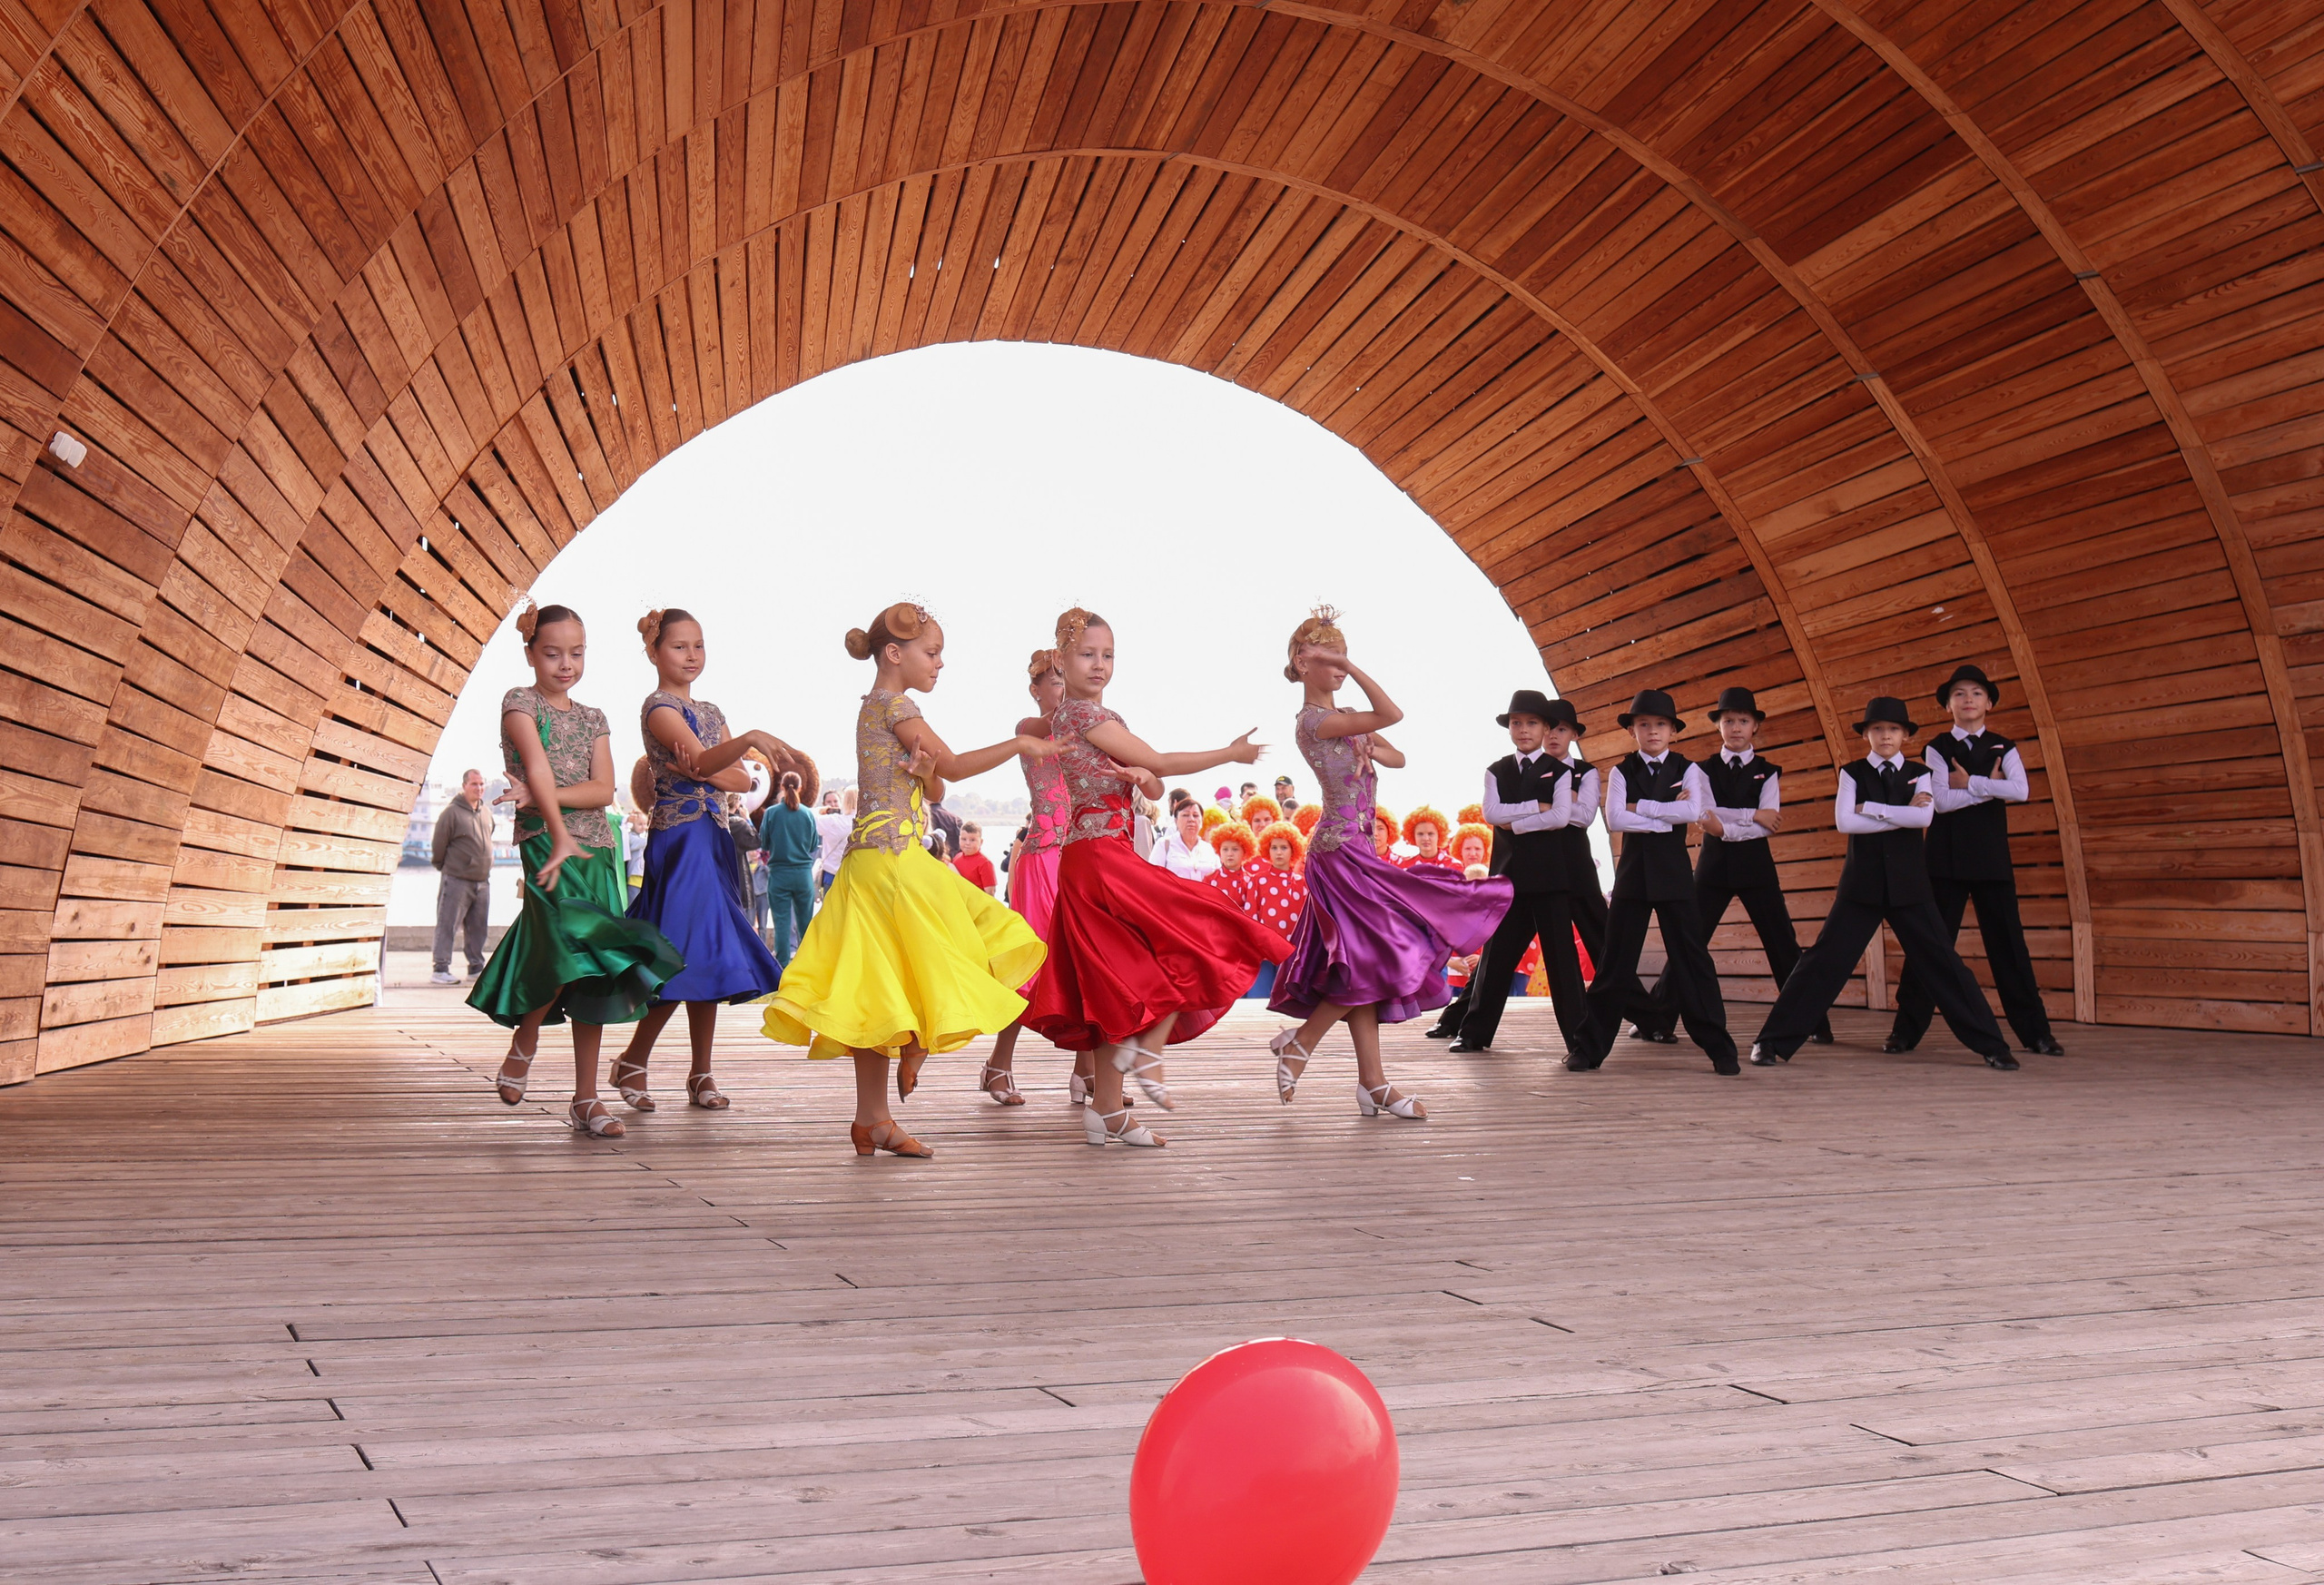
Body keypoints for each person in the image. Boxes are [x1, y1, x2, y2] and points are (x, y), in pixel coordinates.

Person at [763, 603, 1051, 1157]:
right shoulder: (895, 704)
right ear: (895, 654)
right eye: (933, 653)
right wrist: (1020, 744)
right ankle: (916, 1041)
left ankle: (872, 1119)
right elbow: (958, 766)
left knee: (877, 989)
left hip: (877, 862)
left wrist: (925, 775)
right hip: (892, 865)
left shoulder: (878, 708)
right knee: (979, 937)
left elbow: (937, 787)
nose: (940, 664)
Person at [1022, 607, 1287, 1147]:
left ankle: (1104, 1109)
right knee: (1178, 935)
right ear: (1061, 660)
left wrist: (1143, 779)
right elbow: (1161, 762)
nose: (1099, 665)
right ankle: (1283, 953)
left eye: (1108, 655)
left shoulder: (1092, 718)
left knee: (1112, 982)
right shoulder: (1081, 716)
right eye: (1086, 655)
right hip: (1099, 861)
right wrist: (1230, 754)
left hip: (1099, 855)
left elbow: (1149, 782)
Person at [1265, 610, 1512, 1121]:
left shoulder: (1348, 721)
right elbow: (1392, 713)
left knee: (1364, 964)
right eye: (1327, 656)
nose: (1337, 665)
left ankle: (1369, 1082)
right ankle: (1307, 1044)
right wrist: (1354, 676)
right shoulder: (1313, 721)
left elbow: (1397, 755)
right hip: (1338, 854)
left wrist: (1367, 740)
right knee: (1371, 960)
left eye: (1343, 653)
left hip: (1360, 852)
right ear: (1301, 662)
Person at [468, 602, 682, 1138]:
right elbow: (536, 765)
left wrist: (542, 799)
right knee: (565, 941)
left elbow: (600, 791)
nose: (566, 664)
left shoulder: (594, 719)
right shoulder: (519, 703)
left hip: (596, 849)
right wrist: (555, 823)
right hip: (546, 846)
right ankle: (527, 1039)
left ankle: (585, 1098)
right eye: (552, 653)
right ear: (530, 654)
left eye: (576, 653)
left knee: (596, 964)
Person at [1750, 697, 2020, 1070]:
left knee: (1945, 964)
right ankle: (1770, 1042)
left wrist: (1873, 809)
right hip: (1861, 885)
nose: (1885, 735)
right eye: (1877, 729)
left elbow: (1924, 816)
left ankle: (1992, 1046)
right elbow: (1846, 822)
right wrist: (1900, 814)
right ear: (1867, 735)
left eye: (1893, 729)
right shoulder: (1852, 772)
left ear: (1905, 735)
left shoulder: (1919, 772)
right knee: (1822, 962)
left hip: (1910, 887)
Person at [613, 609, 793, 1112]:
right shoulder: (658, 708)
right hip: (680, 839)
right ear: (654, 652)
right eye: (679, 647)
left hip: (713, 840)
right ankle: (635, 1058)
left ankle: (700, 1072)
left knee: (708, 951)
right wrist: (737, 751)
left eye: (699, 646)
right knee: (679, 951)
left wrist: (715, 767)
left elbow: (740, 779)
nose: (691, 656)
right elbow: (725, 766)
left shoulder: (711, 712)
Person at [1631, 686, 1830, 1048]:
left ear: (1755, 726)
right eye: (1728, 721)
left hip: (1757, 866)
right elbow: (1706, 816)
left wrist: (1728, 826)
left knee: (1782, 943)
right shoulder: (1701, 770)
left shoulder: (1769, 771)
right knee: (1689, 942)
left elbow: (1769, 822)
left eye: (1743, 721)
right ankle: (1658, 1018)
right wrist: (1750, 816)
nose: (1735, 727)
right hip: (1713, 866)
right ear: (1718, 727)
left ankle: (1812, 1020)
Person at [1887, 664, 2065, 1058]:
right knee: (1930, 946)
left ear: (1989, 702)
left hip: (1991, 858)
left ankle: (2036, 1033)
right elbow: (1943, 803)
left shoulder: (2006, 745)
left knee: (2009, 947)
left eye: (1976, 693)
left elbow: (2020, 792)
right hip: (1943, 860)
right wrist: (1992, 788)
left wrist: (1971, 783)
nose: (1968, 700)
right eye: (1959, 694)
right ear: (1948, 705)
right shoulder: (1936, 747)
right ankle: (1905, 1031)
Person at [1573, 689, 1738, 1075]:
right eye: (1643, 724)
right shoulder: (1619, 771)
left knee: (1693, 960)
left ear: (1672, 731)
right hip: (1632, 876)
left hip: (1675, 876)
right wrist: (1667, 812)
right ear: (1632, 730)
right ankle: (1588, 1048)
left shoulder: (1690, 769)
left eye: (1660, 724)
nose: (1652, 731)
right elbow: (1615, 819)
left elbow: (1694, 811)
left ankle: (1720, 1049)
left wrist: (1642, 807)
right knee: (1614, 963)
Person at [1444, 692, 1597, 1060]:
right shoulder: (1496, 770)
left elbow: (1562, 817)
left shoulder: (1562, 770)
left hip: (1552, 878)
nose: (1523, 729)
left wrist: (1517, 821)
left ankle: (1579, 1043)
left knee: (1562, 962)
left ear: (1545, 728)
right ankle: (1474, 1033)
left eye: (1531, 723)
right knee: (1496, 958)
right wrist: (1535, 811)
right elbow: (1492, 814)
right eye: (1516, 723)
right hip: (1508, 878)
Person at [983, 648, 1072, 1107]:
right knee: (1030, 963)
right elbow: (1050, 729)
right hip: (1042, 857)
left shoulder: (1086, 724)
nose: (1062, 689)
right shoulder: (1030, 728)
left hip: (1082, 856)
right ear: (1035, 689)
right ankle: (999, 1063)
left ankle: (1088, 1073)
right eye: (1054, 681)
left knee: (1087, 962)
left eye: (1066, 679)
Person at [430, 768, 495, 984]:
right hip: (457, 878)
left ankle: (476, 967)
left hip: (482, 881)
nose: (479, 788)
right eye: (474, 784)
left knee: (478, 927)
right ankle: (440, 969)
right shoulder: (451, 813)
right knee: (447, 924)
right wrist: (446, 867)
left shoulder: (486, 813)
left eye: (482, 784)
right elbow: (439, 844)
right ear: (464, 786)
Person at [758, 771, 820, 973]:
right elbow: (812, 845)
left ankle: (783, 966)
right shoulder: (808, 814)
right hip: (803, 874)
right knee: (805, 923)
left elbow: (764, 843)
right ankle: (808, 965)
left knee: (782, 923)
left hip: (779, 874)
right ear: (800, 788)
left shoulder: (771, 813)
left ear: (782, 788)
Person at [1148, 796, 1224, 882]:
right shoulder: (1164, 845)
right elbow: (1153, 878)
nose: (1191, 819)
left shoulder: (1209, 849)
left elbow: (1219, 880)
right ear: (1176, 821)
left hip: (1204, 896)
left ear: (1202, 821)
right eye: (1185, 815)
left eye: (1195, 815)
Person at [814, 788, 852, 900]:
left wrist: (821, 810)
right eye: (829, 802)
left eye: (835, 801)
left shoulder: (829, 821)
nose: (833, 804)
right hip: (849, 876)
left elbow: (810, 817)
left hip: (830, 876)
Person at [1399, 807, 1458, 871]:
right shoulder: (1405, 867)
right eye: (1420, 834)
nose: (1425, 838)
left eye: (1430, 834)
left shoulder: (1453, 865)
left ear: (1439, 835)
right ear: (1413, 836)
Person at [952, 821, 997, 894]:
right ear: (959, 839)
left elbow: (990, 893)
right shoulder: (956, 858)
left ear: (981, 841)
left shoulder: (985, 863)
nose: (967, 843)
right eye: (964, 839)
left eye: (972, 840)